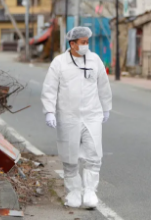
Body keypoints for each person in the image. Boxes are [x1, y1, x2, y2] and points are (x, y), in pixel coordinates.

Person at [41, 26, 112, 208]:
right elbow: (50, 88)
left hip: (92, 115)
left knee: (94, 155)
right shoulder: (59, 63)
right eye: (83, 42)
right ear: (72, 44)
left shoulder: (94, 60)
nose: (86, 46)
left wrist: (106, 108)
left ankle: (89, 192)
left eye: (87, 42)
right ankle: (73, 192)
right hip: (68, 116)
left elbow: (103, 85)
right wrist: (49, 111)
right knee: (69, 157)